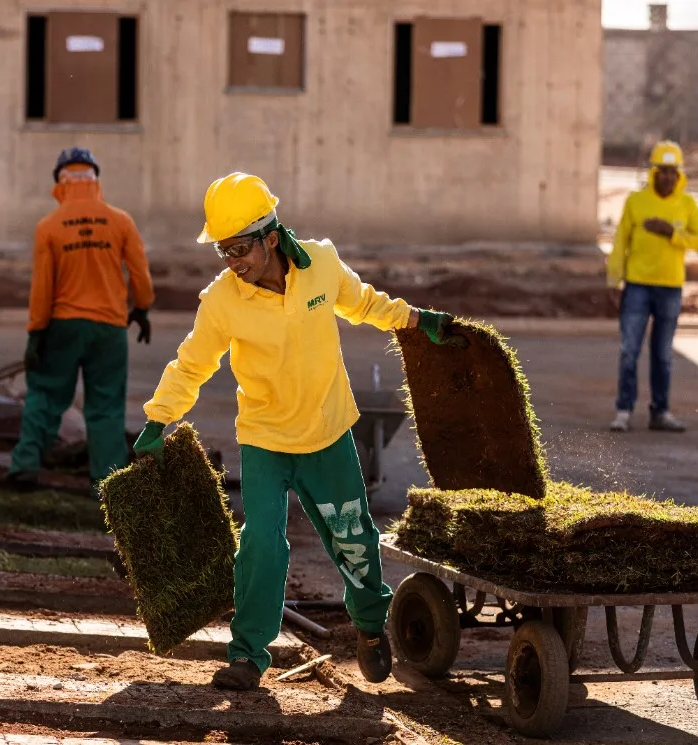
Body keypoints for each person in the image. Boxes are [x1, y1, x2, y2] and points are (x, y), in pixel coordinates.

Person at [131, 172, 463, 691]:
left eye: (239, 248)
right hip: (264, 438)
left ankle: (372, 630)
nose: (233, 261)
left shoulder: (322, 266)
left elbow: (365, 303)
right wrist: (158, 418)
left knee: (354, 540)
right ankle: (247, 656)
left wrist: (416, 319)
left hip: (328, 433)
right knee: (262, 543)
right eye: (223, 251)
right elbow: (191, 363)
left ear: (270, 237)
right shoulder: (223, 300)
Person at [7, 147, 155, 493]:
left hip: (63, 326)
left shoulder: (49, 227)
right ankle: (106, 479)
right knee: (105, 405)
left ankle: (25, 465)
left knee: (44, 395)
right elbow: (140, 276)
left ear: (60, 181)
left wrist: (35, 334)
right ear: (95, 179)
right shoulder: (120, 221)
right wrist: (142, 309)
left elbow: (42, 288)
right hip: (109, 330)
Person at [606, 141, 698, 433]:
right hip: (637, 286)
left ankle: (660, 413)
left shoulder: (686, 205)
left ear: (679, 175)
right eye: (662, 171)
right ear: (653, 173)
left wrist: (672, 233)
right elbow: (619, 244)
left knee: (662, 354)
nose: (667, 177)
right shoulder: (636, 202)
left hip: (670, 288)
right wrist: (614, 281)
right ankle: (623, 411)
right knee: (629, 350)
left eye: (672, 172)